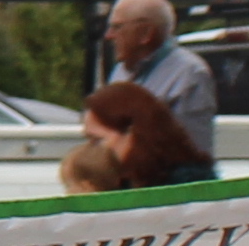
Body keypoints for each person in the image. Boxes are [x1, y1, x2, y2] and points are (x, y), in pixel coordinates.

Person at [99, 0, 222, 167]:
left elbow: (192, 156)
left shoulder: (189, 74)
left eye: (117, 27)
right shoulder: (121, 71)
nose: (108, 35)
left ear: (146, 33)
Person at [59, 79, 208, 194]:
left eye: (97, 140)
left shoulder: (190, 190)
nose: (89, 150)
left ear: (133, 134)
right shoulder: (119, 184)